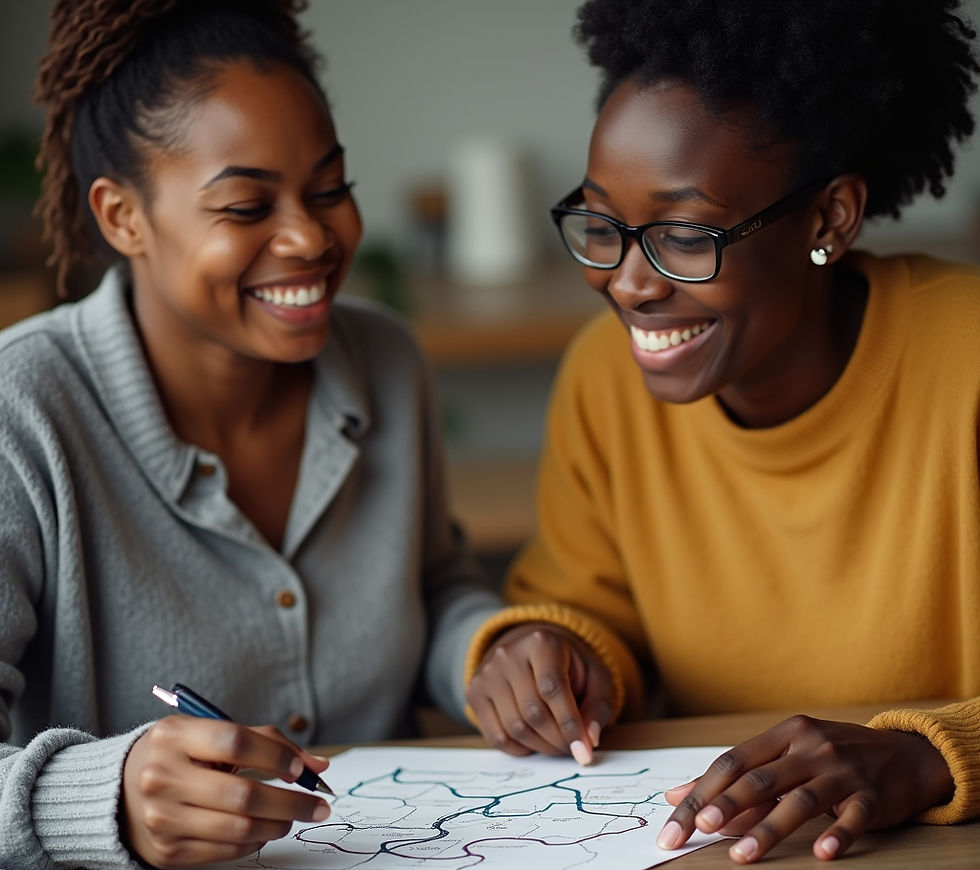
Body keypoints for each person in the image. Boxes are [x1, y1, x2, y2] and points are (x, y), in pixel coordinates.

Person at [463, 0, 980, 863]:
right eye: (602, 225)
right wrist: (548, 651)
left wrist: (927, 757)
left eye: (682, 235)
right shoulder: (605, 374)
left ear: (829, 220)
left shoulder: (965, 363)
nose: (629, 285)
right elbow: (587, 604)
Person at [0, 1, 502, 867]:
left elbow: (433, 582)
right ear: (122, 218)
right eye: (245, 206)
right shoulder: (24, 408)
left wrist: (494, 650)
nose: (310, 236)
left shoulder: (384, 360)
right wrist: (105, 793)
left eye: (330, 189)